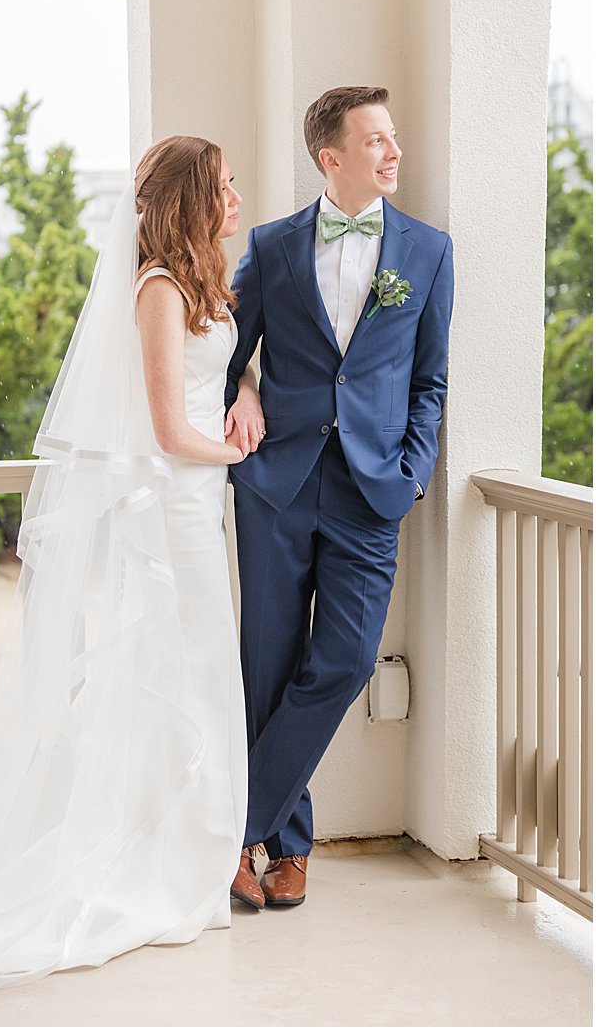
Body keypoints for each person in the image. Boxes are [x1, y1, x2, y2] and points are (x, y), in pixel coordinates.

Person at [0, 136, 250, 994]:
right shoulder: (156, 290)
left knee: (197, 676)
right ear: (191, 198)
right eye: (223, 186)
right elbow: (164, 426)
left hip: (198, 503)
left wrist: (247, 394)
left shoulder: (203, 287)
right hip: (176, 505)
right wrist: (233, 457)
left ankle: (189, 855)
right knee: (173, 676)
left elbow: (218, 369)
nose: (236, 196)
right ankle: (159, 864)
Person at [224, 86, 453, 909]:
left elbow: (430, 382)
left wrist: (414, 471)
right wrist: (241, 394)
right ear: (333, 157)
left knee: (347, 658)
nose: (394, 153)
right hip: (276, 486)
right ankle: (285, 850)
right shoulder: (272, 245)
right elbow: (228, 350)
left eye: (393, 138)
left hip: (370, 494)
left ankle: (234, 828)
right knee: (269, 665)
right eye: (377, 141)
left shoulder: (428, 252)